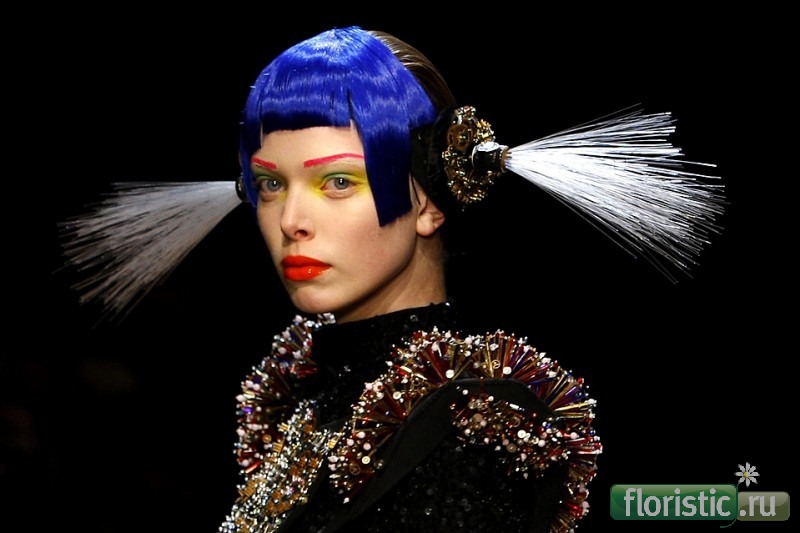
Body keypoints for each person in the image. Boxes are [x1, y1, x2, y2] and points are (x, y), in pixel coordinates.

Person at [57, 25, 724, 533]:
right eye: (270, 185)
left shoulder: (471, 431)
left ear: (428, 200)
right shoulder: (304, 409)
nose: (291, 221)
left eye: (337, 182)